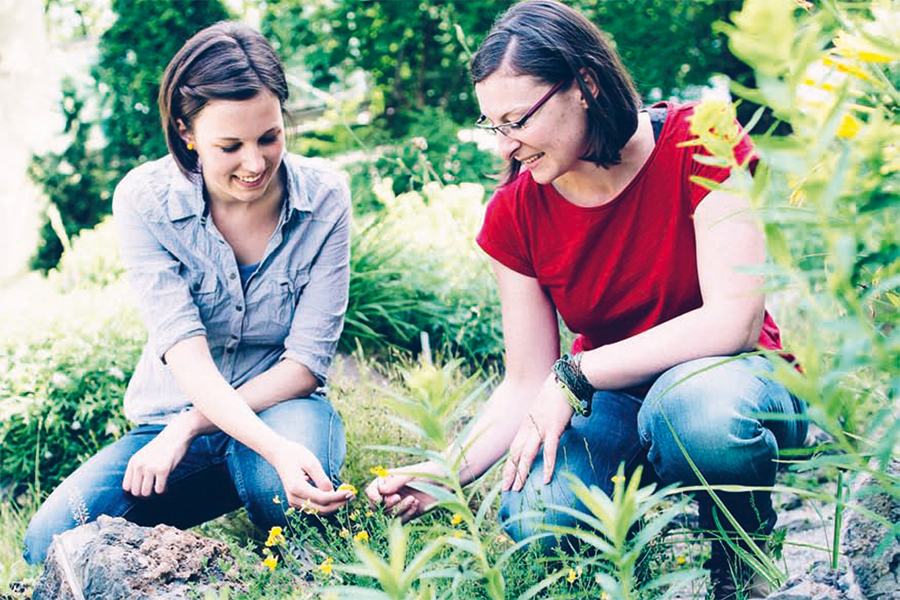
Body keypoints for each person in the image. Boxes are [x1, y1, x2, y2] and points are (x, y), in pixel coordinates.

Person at [365, 1, 808, 598]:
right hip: (616, 405)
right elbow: (526, 380)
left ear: (585, 86)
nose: (505, 147)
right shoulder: (516, 215)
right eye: (494, 126)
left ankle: (742, 555)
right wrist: (449, 471)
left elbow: (734, 321)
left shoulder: (700, 137)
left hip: (732, 384)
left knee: (697, 416)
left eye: (517, 120)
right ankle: (643, 553)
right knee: (535, 516)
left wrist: (577, 371)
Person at [24, 22, 353, 565]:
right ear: (186, 132)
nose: (255, 163)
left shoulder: (326, 200)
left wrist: (197, 426)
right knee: (53, 545)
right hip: (169, 418)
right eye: (230, 145)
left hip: (280, 410)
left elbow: (306, 364)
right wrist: (181, 428)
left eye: (269, 137)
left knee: (286, 499)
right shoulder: (145, 201)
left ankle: (264, 487)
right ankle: (234, 484)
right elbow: (185, 354)